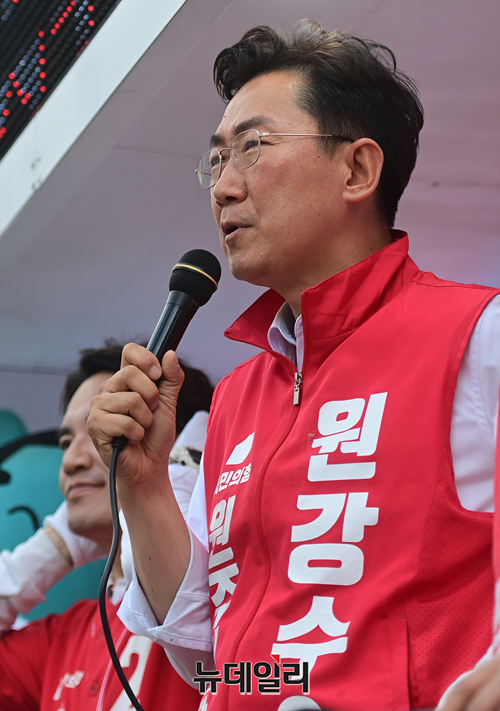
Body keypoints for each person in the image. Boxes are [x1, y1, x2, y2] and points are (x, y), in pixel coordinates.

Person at [87, 20, 500, 711]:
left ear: (357, 170)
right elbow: (213, 666)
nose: (223, 187)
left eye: (253, 147)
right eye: (216, 160)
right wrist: (146, 487)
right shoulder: (236, 398)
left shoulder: (478, 334)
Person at [0, 342, 212, 710]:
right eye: (66, 442)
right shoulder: (63, 636)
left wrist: (171, 490)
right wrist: (54, 545)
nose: (71, 461)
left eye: (102, 429)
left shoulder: (227, 607)